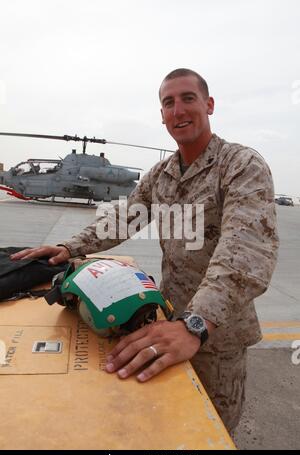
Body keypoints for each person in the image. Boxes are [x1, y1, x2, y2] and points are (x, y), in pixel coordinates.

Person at [11, 68, 279, 433]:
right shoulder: (161, 174)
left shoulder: (241, 165)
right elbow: (124, 218)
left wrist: (196, 324)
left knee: (212, 428)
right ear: (162, 115)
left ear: (209, 105)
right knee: (171, 423)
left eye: (188, 98)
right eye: (168, 103)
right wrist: (68, 247)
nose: (178, 110)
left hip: (218, 334)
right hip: (166, 323)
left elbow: (246, 249)